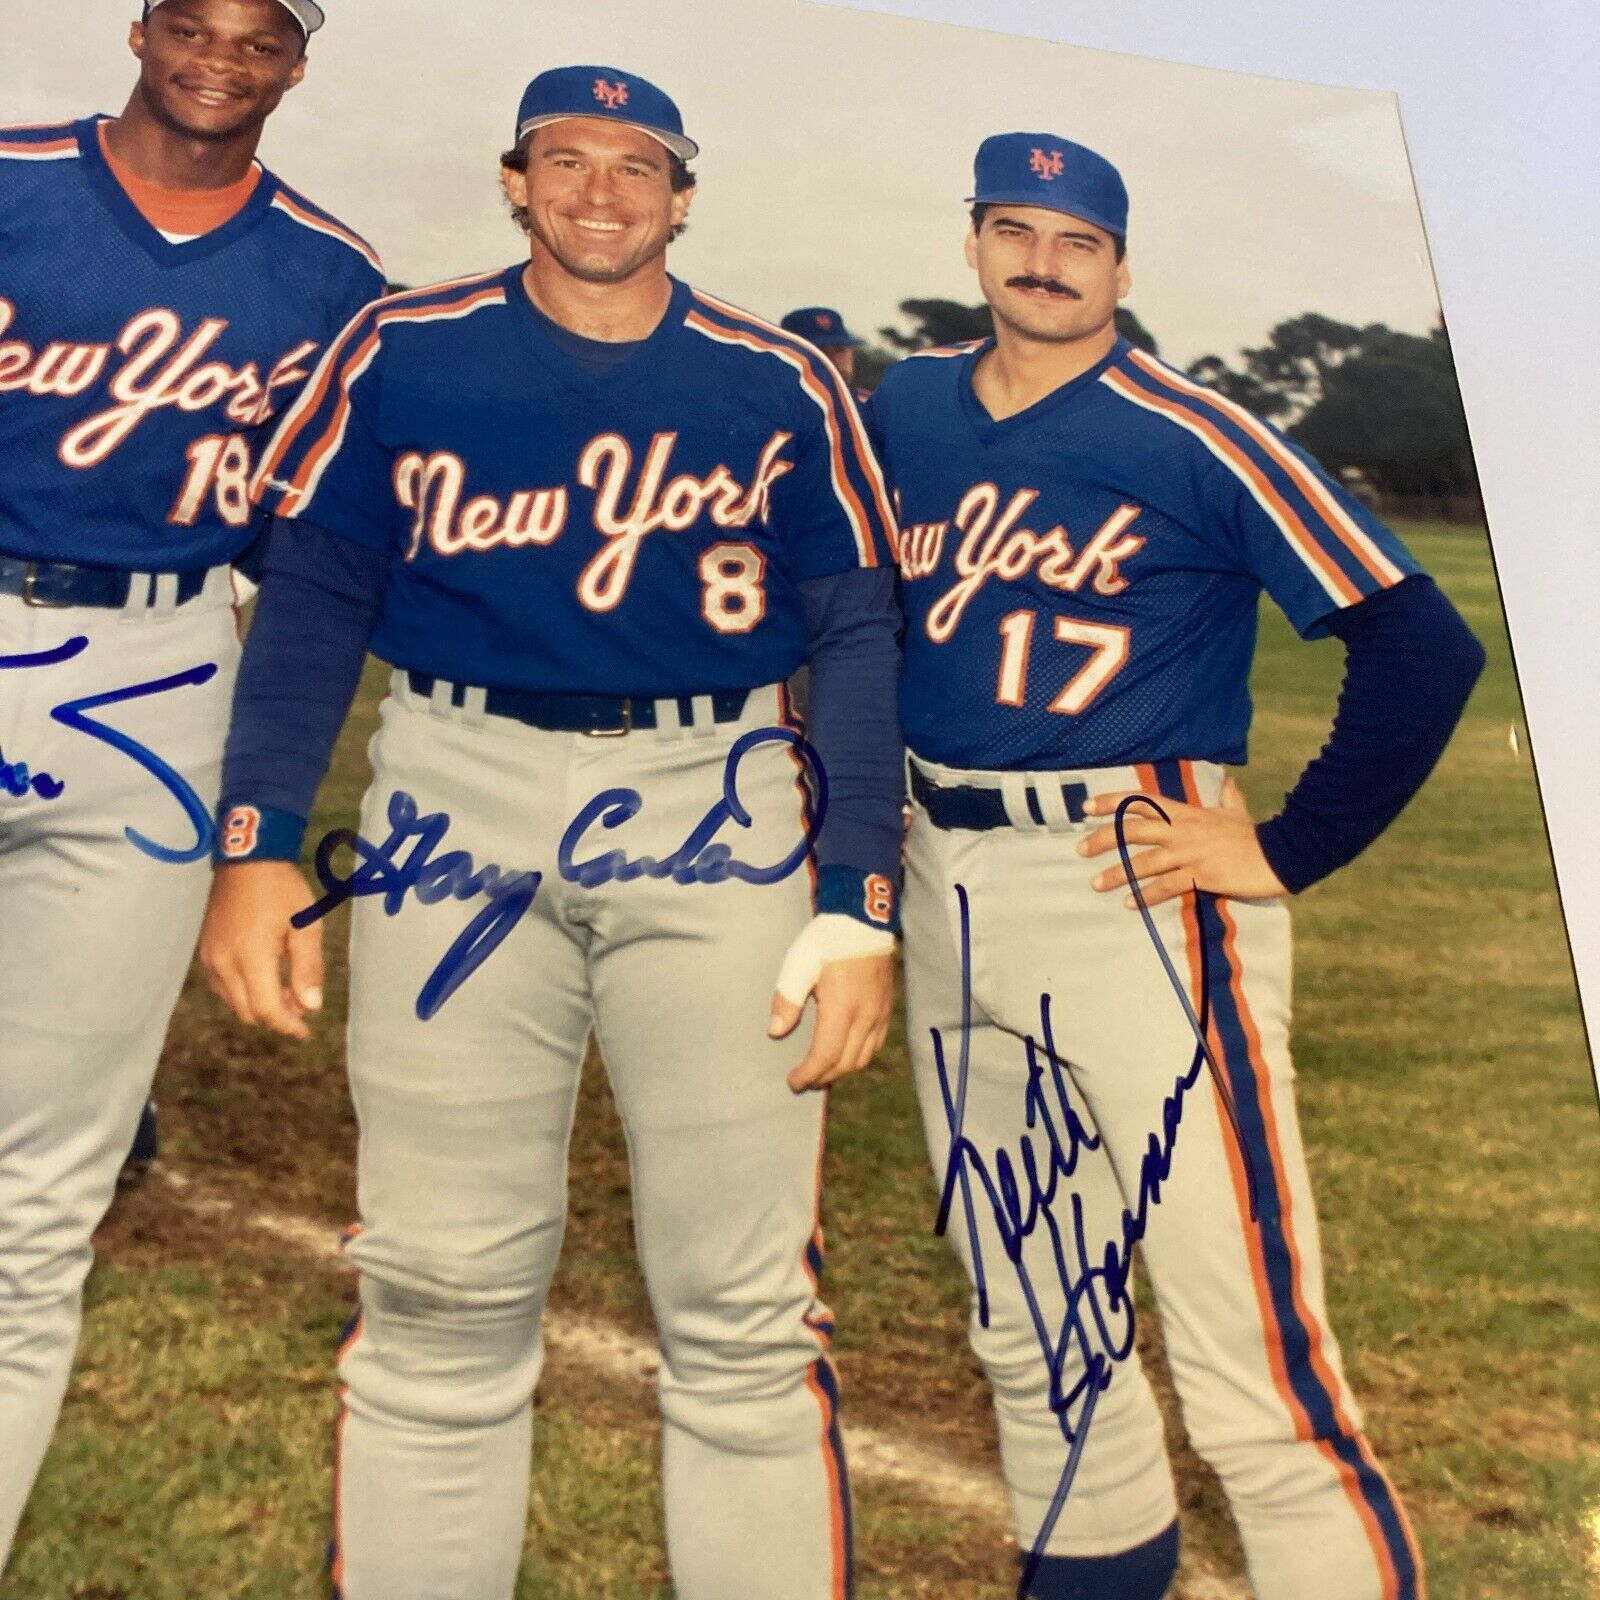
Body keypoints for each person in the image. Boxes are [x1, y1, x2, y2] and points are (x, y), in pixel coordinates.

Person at [197, 64, 904, 1600]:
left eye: (634, 165)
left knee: (741, 1308)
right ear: (513, 182)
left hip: (716, 796)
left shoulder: (779, 378)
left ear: (683, 194)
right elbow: (316, 598)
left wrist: (859, 897)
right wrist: (256, 845)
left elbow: (855, 634)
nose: (600, 191)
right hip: (457, 781)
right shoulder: (402, 348)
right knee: (440, 1281)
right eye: (565, 161)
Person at [867, 131, 1484, 1600]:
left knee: (1246, 1356)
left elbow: (1420, 642)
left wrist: (1285, 845)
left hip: (1127, 885)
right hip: (942, 875)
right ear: (972, 245)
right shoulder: (904, 410)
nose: (1043, 261)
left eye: (1077, 241)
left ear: (1121, 267)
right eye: (1015, 230)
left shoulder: (1189, 429)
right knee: (1032, 1324)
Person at [0, 0, 381, 1570]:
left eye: (260, 34)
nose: (221, 55)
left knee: (34, 1210)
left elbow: (318, 569)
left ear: (299, 62)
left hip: (161, 668)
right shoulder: (13, 177)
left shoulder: (334, 281)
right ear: (139, 28)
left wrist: (265, 829)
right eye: (194, 21)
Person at [781, 305, 868, 401]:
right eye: (820, 352)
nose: (832, 360)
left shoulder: (873, 408)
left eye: (839, 350)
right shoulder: (771, 408)